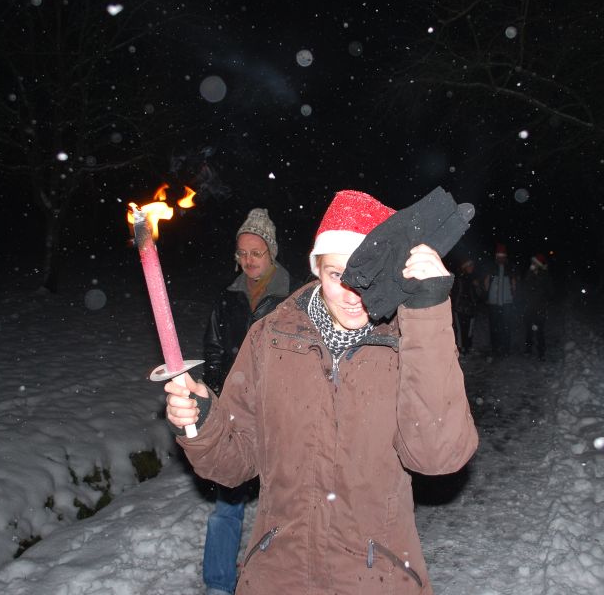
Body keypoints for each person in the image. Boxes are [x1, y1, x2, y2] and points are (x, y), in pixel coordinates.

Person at [165, 189, 478, 595]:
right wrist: (203, 422)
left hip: (375, 580)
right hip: (279, 578)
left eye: (366, 275)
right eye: (336, 275)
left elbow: (437, 456)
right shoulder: (271, 337)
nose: (352, 294)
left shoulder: (408, 339)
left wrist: (428, 311)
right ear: (317, 270)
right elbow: (235, 462)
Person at [200, 207, 297, 595]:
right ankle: (218, 583)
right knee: (227, 501)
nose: (248, 260)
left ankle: (281, 579)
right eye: (242, 253)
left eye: (256, 252)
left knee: (286, 502)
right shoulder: (228, 298)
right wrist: (219, 395)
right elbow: (213, 350)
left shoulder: (295, 295)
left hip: (282, 412)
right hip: (237, 414)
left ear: (271, 251)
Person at [483, 243, 516, 357]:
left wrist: (513, 295)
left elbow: (514, 284)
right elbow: (486, 283)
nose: (501, 259)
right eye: (499, 256)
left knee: (504, 326)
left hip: (506, 302)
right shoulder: (492, 267)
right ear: (497, 256)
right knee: (496, 327)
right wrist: (487, 296)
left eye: (502, 256)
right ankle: (497, 348)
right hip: (494, 303)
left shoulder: (509, 268)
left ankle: (504, 348)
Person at [521, 253, 554, 361]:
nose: (533, 264)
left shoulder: (545, 275)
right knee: (529, 329)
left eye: (535, 263)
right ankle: (528, 349)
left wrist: (544, 300)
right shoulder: (529, 274)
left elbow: (550, 292)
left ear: (539, 264)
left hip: (540, 307)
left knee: (539, 330)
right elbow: (524, 287)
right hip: (529, 306)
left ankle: (541, 352)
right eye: (533, 263)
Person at [450, 258, 482, 355]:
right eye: (470, 266)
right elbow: (456, 292)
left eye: (472, 265)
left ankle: (467, 347)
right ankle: (461, 348)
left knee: (469, 329)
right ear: (465, 267)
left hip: (470, 308)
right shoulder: (460, 277)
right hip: (460, 307)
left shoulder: (473, 278)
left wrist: (477, 287)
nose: (472, 267)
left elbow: (478, 294)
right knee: (460, 329)